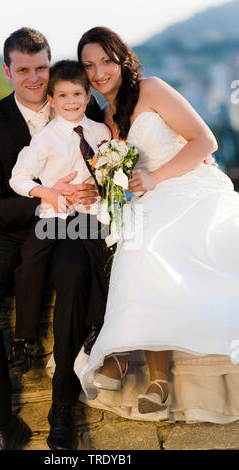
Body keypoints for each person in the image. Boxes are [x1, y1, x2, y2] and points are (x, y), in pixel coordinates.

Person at [74, 26, 239, 424]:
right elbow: (121, 176)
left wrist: (156, 178)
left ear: (122, 59)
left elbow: (205, 141)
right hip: (149, 197)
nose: (99, 73)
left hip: (188, 184)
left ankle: (142, 370)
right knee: (133, 242)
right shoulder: (105, 117)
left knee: (146, 245)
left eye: (106, 62)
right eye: (89, 66)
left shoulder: (153, 88)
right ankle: (148, 374)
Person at [0, 27, 103, 451]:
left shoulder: (78, 112)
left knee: (75, 272)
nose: (35, 78)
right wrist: (51, 197)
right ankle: (2, 424)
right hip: (7, 229)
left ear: (52, 66)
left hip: (68, 228)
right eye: (24, 70)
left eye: (42, 67)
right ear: (8, 71)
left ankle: (64, 409)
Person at [9, 59, 112, 450]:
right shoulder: (46, 138)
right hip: (57, 221)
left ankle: (95, 324)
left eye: (79, 94)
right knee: (38, 262)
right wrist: (49, 192)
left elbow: (111, 178)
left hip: (93, 220)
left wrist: (104, 189)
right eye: (64, 95)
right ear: (51, 99)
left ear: (89, 95)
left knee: (109, 255)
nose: (72, 101)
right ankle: (28, 335)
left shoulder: (102, 132)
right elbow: (19, 177)